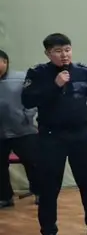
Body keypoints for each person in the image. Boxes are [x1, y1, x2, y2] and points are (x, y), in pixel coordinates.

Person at [21, 33, 87, 235]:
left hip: (81, 134)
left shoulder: (83, 71)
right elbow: (27, 100)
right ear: (48, 53)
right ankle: (49, 232)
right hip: (51, 137)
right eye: (58, 51)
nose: (64, 55)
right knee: (49, 187)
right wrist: (55, 85)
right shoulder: (37, 73)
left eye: (67, 50)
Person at [0, 49, 40, 208]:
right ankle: (5, 197)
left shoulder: (21, 78)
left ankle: (40, 192)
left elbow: (33, 99)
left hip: (23, 130)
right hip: (1, 132)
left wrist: (27, 116)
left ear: (5, 62)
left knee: (33, 162)